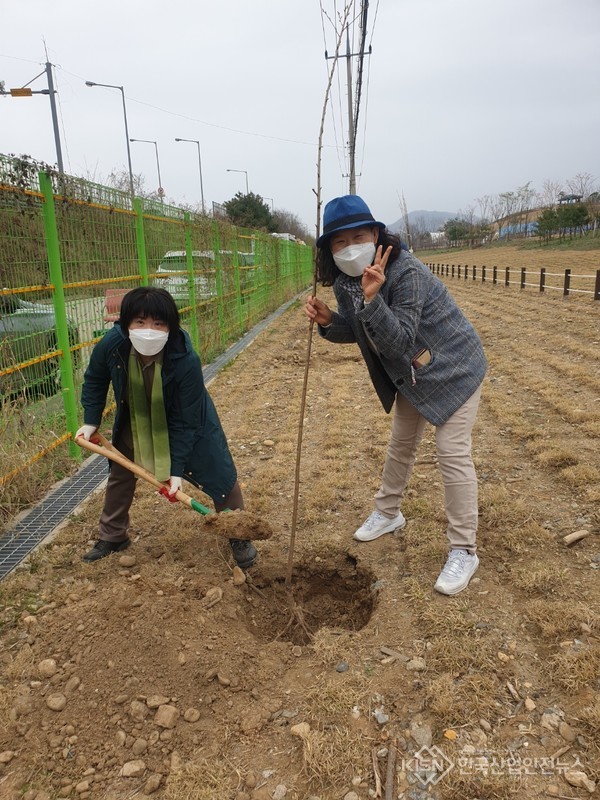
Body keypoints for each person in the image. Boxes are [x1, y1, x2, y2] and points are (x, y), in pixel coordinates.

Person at [305, 195, 487, 596]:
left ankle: (464, 549)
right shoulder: (344, 280)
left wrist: (373, 298)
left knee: (451, 452)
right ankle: (388, 513)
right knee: (401, 444)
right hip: (413, 375)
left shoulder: (406, 273)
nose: (350, 247)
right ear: (327, 249)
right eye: (338, 242)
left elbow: (399, 339)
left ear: (376, 234)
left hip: (455, 367)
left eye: (359, 235)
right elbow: (363, 331)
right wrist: (330, 321)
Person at [75, 286, 257, 570]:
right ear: (125, 324)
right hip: (137, 415)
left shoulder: (185, 359)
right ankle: (113, 536)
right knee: (122, 470)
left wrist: (175, 471)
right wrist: (90, 420)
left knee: (220, 474)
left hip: (190, 419)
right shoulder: (112, 344)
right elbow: (95, 379)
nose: (149, 330)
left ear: (171, 327)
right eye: (140, 322)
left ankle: (238, 534)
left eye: (158, 323)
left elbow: (186, 422)